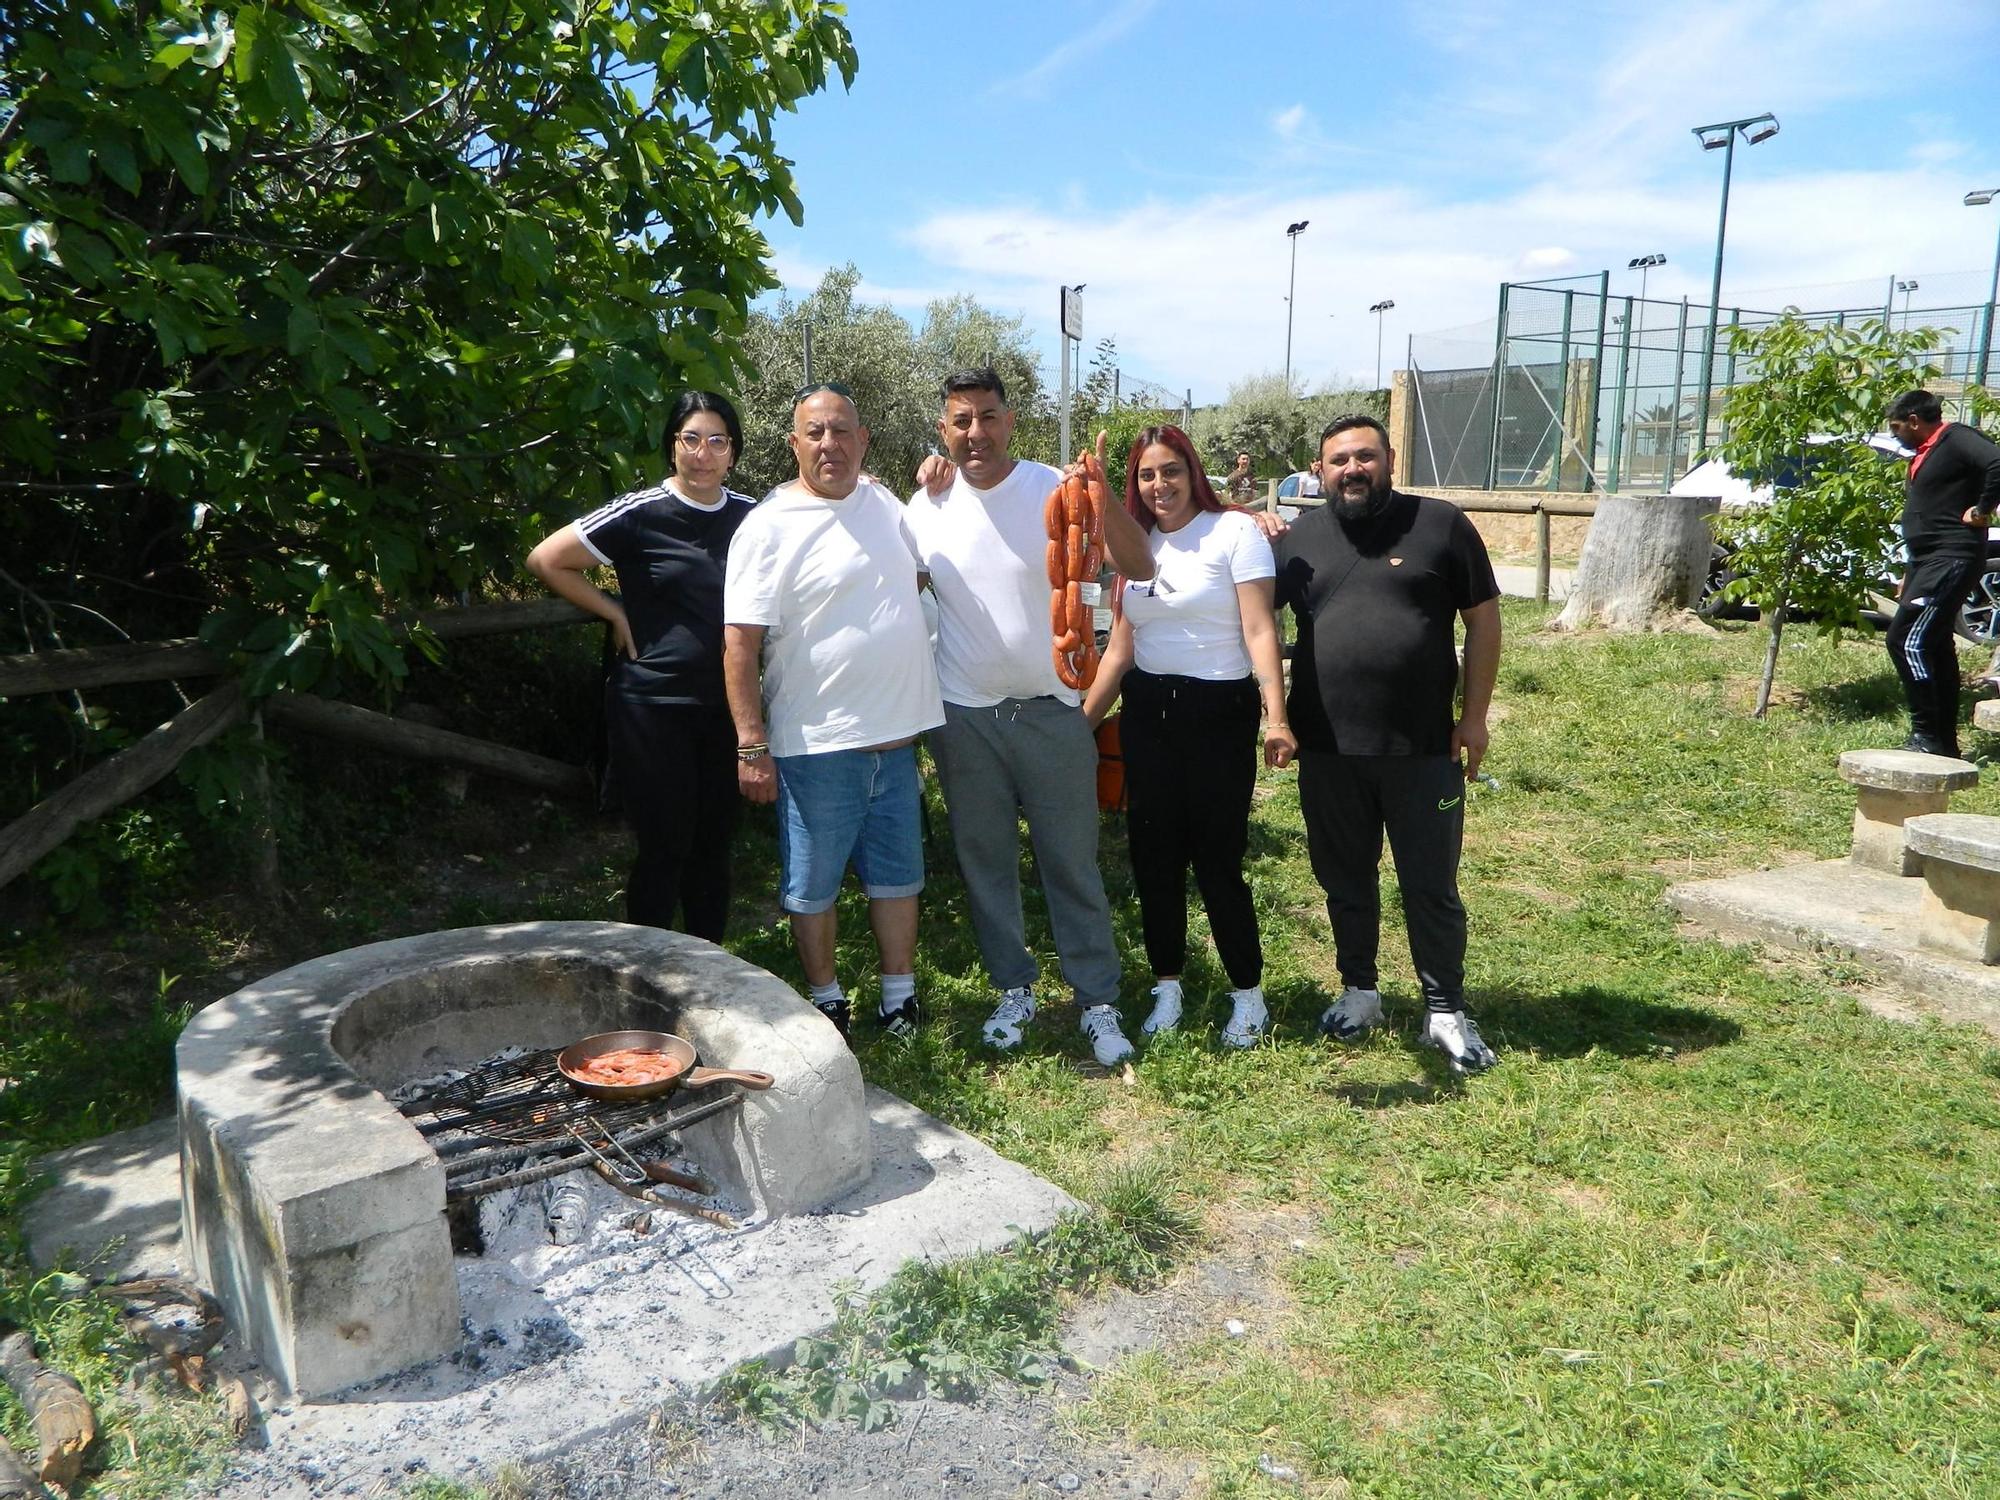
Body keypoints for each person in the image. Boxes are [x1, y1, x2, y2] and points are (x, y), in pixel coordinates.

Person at [906, 369, 1160, 1066]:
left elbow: (1138, 563)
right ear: (943, 429)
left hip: (1053, 711)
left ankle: (1097, 998)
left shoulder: (1057, 484)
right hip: (963, 716)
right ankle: (1013, 988)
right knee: (985, 861)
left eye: (987, 417)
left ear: (1010, 420)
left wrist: (1103, 497)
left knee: (1070, 860)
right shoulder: (923, 506)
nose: (975, 433)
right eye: (960, 421)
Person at [1274, 414, 1502, 1075]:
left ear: (1390, 460)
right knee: (1345, 880)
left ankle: (1445, 1009)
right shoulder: (1296, 540)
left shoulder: (1442, 526)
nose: (1352, 469)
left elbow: (1484, 623)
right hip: (1327, 750)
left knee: (1430, 886)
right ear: (1319, 471)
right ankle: (1360, 992)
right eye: (1338, 460)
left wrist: (1475, 717)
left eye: (1365, 457)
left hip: (1424, 748)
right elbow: (1255, 620)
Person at [722, 384, 943, 1039]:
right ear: (793, 444)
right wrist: (750, 744)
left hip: (896, 741)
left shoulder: (885, 504)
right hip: (816, 745)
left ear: (864, 439)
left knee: (899, 879)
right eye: (814, 432)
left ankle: (898, 998)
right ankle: (826, 998)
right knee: (812, 887)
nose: (829, 444)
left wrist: (942, 474)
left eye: (841, 430)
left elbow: (921, 574)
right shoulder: (767, 526)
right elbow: (740, 642)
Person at [1081, 425, 1296, 1047]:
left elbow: (1261, 631)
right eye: (1147, 475)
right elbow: (1120, 651)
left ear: (1192, 471)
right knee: (1154, 858)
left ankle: (1247, 994)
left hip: (1219, 712)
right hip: (1149, 710)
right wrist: (1081, 728)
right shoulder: (1134, 546)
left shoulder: (1233, 532)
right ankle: (1167, 985)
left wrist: (1275, 717)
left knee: (1219, 859)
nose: (1159, 486)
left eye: (1170, 471)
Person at [525, 391, 754, 941]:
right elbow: (546, 559)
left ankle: (708, 970)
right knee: (664, 846)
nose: (703, 453)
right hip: (651, 708)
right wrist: (612, 611)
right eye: (691, 439)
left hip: (727, 707)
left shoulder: (754, 517)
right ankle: (648, 973)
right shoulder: (640, 512)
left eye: (717, 441)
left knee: (713, 846)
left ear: (733, 451)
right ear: (672, 445)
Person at [1884, 390, 2000, 757]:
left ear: (1915, 421)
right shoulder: (1928, 453)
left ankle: (1926, 736)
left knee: (1905, 641)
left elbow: (1998, 462)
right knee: (1935, 646)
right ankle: (1945, 744)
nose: (1895, 435)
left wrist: (1983, 509)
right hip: (1928, 561)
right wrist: (1910, 571)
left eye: (1897, 427)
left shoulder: (1957, 439)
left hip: (1953, 557)